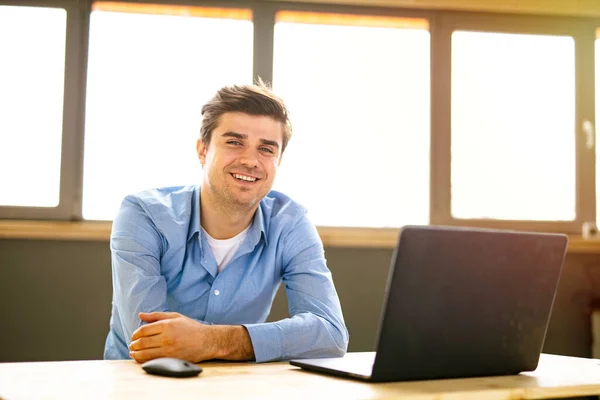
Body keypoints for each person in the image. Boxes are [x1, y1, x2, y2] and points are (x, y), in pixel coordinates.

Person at [103, 81, 349, 364]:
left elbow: (330, 334)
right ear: (202, 151)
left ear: (278, 161)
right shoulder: (143, 214)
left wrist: (212, 341)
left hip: (235, 385)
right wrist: (251, 343)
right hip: (140, 384)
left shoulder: (290, 222)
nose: (250, 160)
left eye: (266, 149)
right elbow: (151, 341)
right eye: (234, 142)